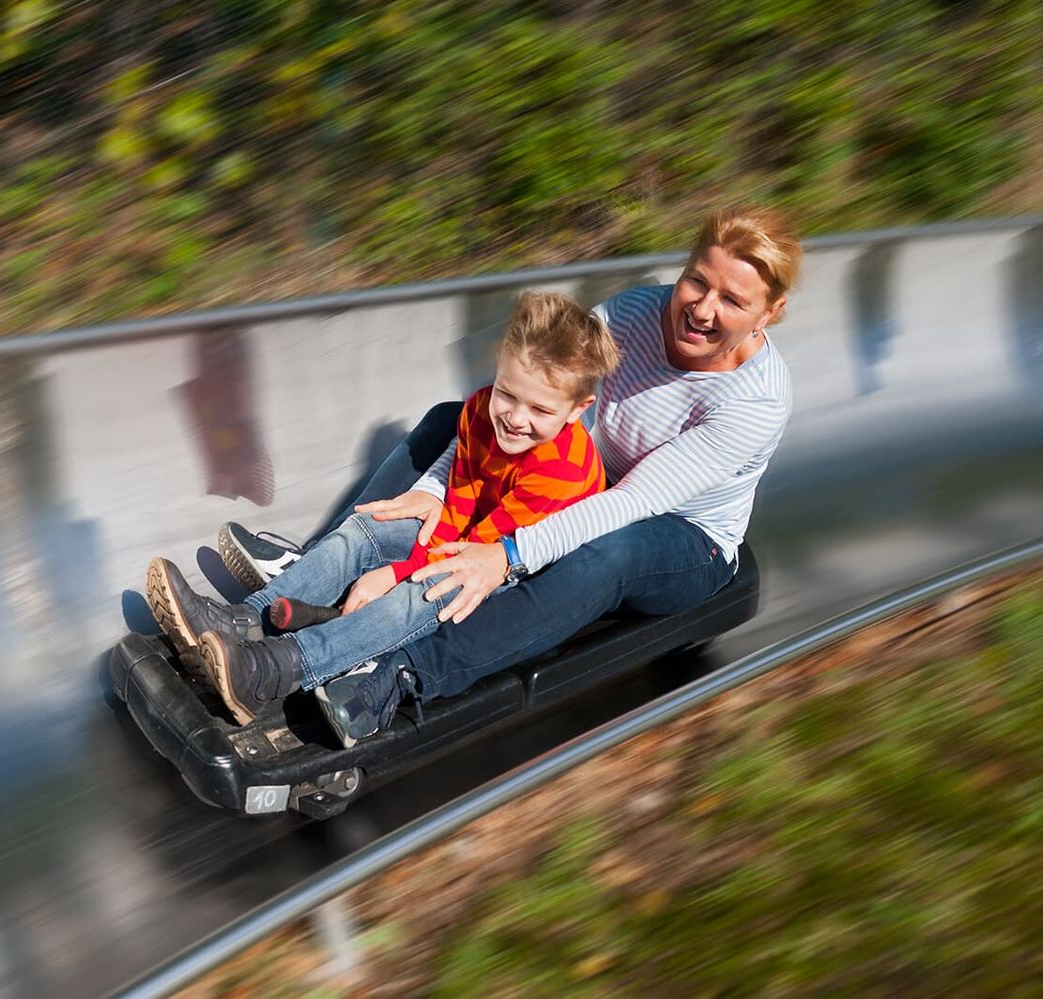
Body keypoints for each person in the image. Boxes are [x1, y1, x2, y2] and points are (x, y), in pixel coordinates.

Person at [221, 205, 799, 746]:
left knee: (604, 553)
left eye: (732, 299)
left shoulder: (755, 402)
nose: (701, 309)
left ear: (768, 313)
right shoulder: (633, 315)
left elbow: (629, 503)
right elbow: (536, 391)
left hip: (677, 533)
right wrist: (431, 489)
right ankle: (316, 568)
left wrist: (504, 555)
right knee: (455, 418)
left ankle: (401, 670)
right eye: (698, 281)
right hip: (581, 479)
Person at [146, 291, 621, 730]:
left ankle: (274, 669)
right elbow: (461, 494)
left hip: (517, 567)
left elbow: (480, 554)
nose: (516, 418)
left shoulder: (562, 470)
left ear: (578, 409)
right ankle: (245, 620)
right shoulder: (479, 411)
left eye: (539, 409)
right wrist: (403, 557)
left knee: (427, 592)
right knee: (366, 529)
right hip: (472, 535)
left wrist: (397, 575)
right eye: (508, 394)